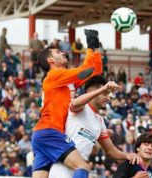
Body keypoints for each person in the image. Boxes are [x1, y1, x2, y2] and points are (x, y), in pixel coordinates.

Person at [31, 29, 102, 178]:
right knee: (82, 165)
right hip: (51, 132)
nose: (63, 53)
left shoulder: (65, 81)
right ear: (50, 61)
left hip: (41, 135)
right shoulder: (55, 75)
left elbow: (94, 72)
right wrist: (89, 47)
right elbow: (87, 69)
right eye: (57, 52)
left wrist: (95, 49)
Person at [49, 75, 141, 178]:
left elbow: (110, 150)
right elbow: (75, 103)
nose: (108, 98)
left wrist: (127, 155)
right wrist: (103, 88)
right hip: (63, 167)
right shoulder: (81, 108)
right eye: (105, 94)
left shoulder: (100, 121)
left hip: (79, 170)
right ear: (92, 92)